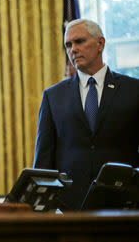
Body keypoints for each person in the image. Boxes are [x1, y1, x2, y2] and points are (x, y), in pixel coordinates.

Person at [33, 19, 139, 211]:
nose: (73, 49)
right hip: (68, 209)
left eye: (79, 41)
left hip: (123, 206)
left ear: (100, 44)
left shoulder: (133, 90)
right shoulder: (53, 96)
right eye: (68, 44)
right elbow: (43, 161)